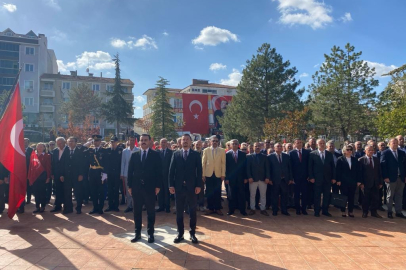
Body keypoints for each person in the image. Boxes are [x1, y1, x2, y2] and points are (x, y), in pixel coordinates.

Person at [128, 134, 162, 243]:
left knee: (150, 212)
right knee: (136, 212)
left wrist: (158, 186)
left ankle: (150, 234)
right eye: (142, 140)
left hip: (150, 188)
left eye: (145, 140)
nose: (143, 142)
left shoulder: (155, 155)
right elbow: (130, 172)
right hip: (136, 188)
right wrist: (129, 186)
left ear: (150, 141)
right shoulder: (134, 155)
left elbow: (159, 172)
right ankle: (137, 233)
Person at [169, 134, 202, 244]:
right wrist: (171, 185)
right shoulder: (176, 154)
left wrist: (198, 185)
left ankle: (192, 233)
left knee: (192, 211)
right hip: (178, 188)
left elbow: (199, 171)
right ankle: (180, 233)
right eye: (183, 139)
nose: (185, 141)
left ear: (191, 142)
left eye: (187, 140)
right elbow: (171, 171)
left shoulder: (196, 155)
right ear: (180, 142)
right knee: (179, 211)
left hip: (192, 188)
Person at [308, 139, 336, 217]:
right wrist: (311, 177)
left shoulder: (329, 154)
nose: (322, 144)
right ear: (317, 144)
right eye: (320, 143)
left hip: (327, 178)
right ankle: (316, 211)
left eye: (323, 143)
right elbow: (310, 167)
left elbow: (333, 166)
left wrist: (334, 177)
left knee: (326, 195)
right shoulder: (312, 154)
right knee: (317, 195)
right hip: (317, 179)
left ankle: (325, 210)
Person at [380, 138, 406, 219]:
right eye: (393, 143)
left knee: (399, 195)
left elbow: (404, 165)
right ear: (389, 144)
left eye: (396, 143)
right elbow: (383, 166)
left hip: (400, 178)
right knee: (390, 195)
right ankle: (390, 211)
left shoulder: (402, 153)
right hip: (390, 178)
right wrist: (385, 177)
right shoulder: (385, 153)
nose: (395, 144)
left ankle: (398, 212)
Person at [202, 135, 226, 216]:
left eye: (216, 141)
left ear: (218, 142)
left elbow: (223, 163)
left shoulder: (222, 150)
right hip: (208, 174)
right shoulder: (206, 150)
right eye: (213, 141)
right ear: (210, 142)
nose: (215, 142)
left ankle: (218, 208)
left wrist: (223, 174)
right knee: (209, 191)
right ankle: (210, 208)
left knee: (218, 192)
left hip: (218, 174)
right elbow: (203, 163)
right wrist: (203, 174)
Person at [268, 143, 293, 216]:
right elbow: (268, 169)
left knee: (284, 196)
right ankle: (274, 210)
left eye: (280, 146)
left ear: (282, 148)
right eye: (277, 146)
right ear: (274, 148)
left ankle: (284, 210)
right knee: (274, 196)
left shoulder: (286, 156)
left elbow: (289, 168)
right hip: (274, 180)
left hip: (284, 180)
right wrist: (269, 178)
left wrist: (291, 178)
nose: (279, 147)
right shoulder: (270, 157)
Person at [336, 145, 360, 217]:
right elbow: (338, 171)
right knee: (344, 196)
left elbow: (357, 171)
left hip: (352, 181)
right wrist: (338, 180)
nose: (349, 151)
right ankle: (343, 211)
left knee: (351, 197)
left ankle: (350, 211)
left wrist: (358, 180)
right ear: (344, 151)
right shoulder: (340, 159)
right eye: (347, 149)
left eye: (350, 149)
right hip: (343, 181)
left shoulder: (355, 159)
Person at [246, 142, 270, 216]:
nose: (257, 147)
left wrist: (267, 177)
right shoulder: (249, 157)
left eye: (258, 146)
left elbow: (267, 168)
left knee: (263, 195)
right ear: (253, 147)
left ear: (261, 147)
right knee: (252, 195)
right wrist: (249, 177)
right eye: (255, 146)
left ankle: (263, 209)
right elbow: (248, 168)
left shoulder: (265, 157)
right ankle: (252, 209)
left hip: (263, 179)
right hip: (253, 179)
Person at [359, 145, 383, 218]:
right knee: (365, 199)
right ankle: (365, 212)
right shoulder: (361, 160)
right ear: (365, 151)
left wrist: (381, 182)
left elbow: (379, 171)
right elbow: (359, 172)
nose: (371, 151)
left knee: (375, 198)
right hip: (366, 183)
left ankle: (374, 212)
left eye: (372, 150)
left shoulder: (376, 159)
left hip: (375, 182)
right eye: (369, 150)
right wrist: (361, 183)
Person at [86, 135, 107, 215]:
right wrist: (88, 143)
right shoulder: (90, 150)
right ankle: (95, 207)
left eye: (97, 141)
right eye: (94, 141)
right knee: (93, 191)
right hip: (92, 172)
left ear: (100, 141)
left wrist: (105, 173)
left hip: (100, 172)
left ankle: (100, 208)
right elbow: (81, 150)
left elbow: (107, 163)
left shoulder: (104, 151)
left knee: (101, 191)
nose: (96, 142)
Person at [225, 139, 247, 216]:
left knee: (241, 194)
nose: (234, 145)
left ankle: (242, 210)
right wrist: (226, 178)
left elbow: (245, 167)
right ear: (230, 145)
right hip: (231, 179)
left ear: (238, 145)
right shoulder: (227, 155)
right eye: (233, 144)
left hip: (241, 178)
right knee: (231, 195)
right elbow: (226, 168)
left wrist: (245, 177)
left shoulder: (243, 154)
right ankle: (231, 210)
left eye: (235, 144)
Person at [63, 137, 85, 214]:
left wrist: (81, 174)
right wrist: (62, 174)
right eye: (69, 141)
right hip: (67, 176)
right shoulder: (65, 151)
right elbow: (63, 164)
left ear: (76, 142)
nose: (70, 143)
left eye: (72, 141)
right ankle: (69, 208)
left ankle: (78, 208)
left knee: (78, 193)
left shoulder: (80, 152)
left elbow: (82, 164)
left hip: (77, 175)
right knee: (67, 193)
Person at [290, 139, 310, 215]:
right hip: (296, 178)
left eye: (300, 142)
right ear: (294, 144)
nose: (299, 144)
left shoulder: (306, 152)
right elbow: (290, 166)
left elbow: (309, 165)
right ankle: (297, 209)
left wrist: (309, 175)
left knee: (305, 194)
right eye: (297, 143)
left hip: (305, 177)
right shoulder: (291, 153)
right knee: (296, 194)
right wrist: (291, 177)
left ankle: (304, 209)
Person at [30, 143, 52, 214]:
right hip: (35, 176)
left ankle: (43, 206)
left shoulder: (47, 156)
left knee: (42, 192)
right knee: (36, 192)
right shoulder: (33, 155)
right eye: (38, 146)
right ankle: (37, 207)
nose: (39, 148)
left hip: (43, 176)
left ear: (44, 148)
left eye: (41, 147)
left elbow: (48, 167)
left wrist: (48, 177)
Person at [120, 135, 139, 213]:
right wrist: (122, 173)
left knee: (135, 190)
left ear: (134, 141)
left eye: (132, 140)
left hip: (135, 174)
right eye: (130, 140)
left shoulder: (138, 150)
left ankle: (136, 206)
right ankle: (129, 206)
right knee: (128, 191)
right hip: (126, 174)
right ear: (128, 141)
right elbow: (123, 163)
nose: (131, 142)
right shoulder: (124, 151)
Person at [50, 137, 69, 213]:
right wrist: (52, 173)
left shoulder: (68, 150)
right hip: (56, 174)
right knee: (57, 191)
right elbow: (53, 163)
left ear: (64, 142)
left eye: (60, 143)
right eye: (58, 144)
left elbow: (67, 164)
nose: (59, 145)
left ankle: (66, 207)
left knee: (66, 191)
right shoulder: (55, 151)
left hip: (66, 174)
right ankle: (57, 206)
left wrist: (63, 174)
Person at [105, 135, 123, 212]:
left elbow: (122, 163)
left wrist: (121, 173)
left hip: (117, 173)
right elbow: (105, 164)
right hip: (109, 173)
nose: (113, 143)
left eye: (114, 142)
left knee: (116, 190)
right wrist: (105, 174)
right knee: (109, 190)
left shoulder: (120, 151)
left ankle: (116, 206)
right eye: (112, 142)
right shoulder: (107, 150)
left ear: (117, 142)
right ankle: (110, 206)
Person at [157, 138, 173, 213]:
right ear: (160, 144)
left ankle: (167, 207)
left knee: (167, 191)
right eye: (162, 142)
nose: (163, 143)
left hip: (167, 175)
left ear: (167, 143)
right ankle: (161, 206)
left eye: (164, 142)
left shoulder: (171, 152)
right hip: (159, 175)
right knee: (160, 191)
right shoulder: (157, 152)